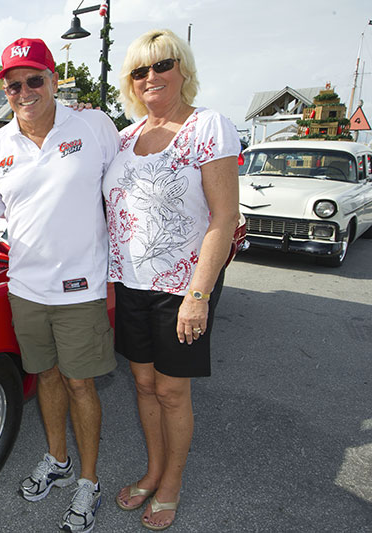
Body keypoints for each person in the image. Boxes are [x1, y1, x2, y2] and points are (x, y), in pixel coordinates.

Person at [0, 37, 119, 533]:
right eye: (14, 84)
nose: (25, 91)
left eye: (35, 79)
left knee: (81, 383)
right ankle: (57, 460)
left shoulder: (94, 126)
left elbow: (124, 198)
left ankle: (89, 482)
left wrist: (121, 273)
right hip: (26, 291)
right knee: (49, 378)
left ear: (54, 81)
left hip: (81, 290)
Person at [103, 29, 240, 531]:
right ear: (130, 82)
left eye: (162, 65)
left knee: (172, 392)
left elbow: (223, 219)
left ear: (183, 69)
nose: (151, 77)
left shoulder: (209, 127)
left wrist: (198, 296)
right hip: (132, 282)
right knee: (142, 383)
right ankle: (154, 470)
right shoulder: (124, 136)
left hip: (183, 287)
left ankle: (172, 484)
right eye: (140, 71)